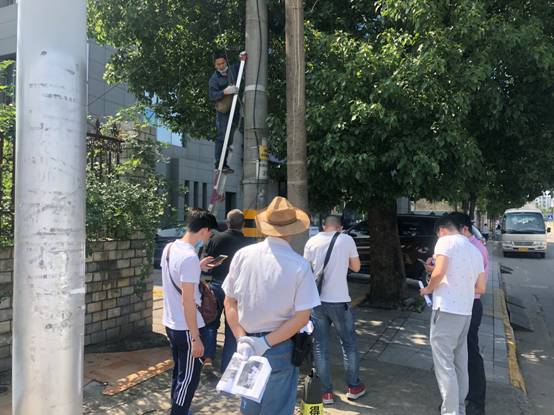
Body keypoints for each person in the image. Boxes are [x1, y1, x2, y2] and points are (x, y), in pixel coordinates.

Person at [223, 196, 321, 415]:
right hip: (280, 345)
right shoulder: (299, 265)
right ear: (292, 229)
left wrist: (241, 338)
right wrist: (265, 343)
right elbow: (302, 317)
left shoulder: (242, 256)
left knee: (249, 407)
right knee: (277, 409)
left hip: (247, 342)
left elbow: (229, 301)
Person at [420, 215, 487, 415]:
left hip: (446, 311)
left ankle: (450, 411)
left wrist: (428, 289)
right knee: (460, 363)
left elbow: (439, 272)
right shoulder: (475, 250)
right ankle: (459, 408)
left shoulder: (445, 241)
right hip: (466, 312)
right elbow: (481, 288)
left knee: (444, 364)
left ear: (442, 230)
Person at [303, 214, 366, 405]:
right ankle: (353, 387)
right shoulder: (346, 240)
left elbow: (306, 270)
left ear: (324, 226)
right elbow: (356, 267)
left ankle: (326, 393)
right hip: (340, 301)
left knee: (320, 347)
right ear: (340, 227)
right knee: (349, 344)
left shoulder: (312, 242)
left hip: (317, 301)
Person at [161, 208, 218, 415]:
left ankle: (178, 409)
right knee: (189, 378)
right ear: (203, 230)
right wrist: (196, 338)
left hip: (171, 322)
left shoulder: (170, 248)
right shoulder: (189, 258)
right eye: (210, 232)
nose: (209, 237)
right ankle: (179, 412)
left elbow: (176, 278)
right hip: (187, 326)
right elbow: (188, 301)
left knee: (180, 372)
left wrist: (198, 267)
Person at [449, 212, 489, 415]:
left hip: (470, 304)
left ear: (464, 229)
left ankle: (476, 401)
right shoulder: (464, 246)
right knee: (458, 353)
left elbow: (478, 285)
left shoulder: (475, 249)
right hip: (459, 303)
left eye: (452, 231)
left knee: (470, 353)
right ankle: (458, 399)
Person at [202, 209, 250, 373]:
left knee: (210, 322)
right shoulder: (249, 243)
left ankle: (208, 358)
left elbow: (207, 263)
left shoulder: (216, 239)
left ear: (228, 223)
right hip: (237, 290)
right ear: (243, 224)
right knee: (232, 328)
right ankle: (227, 367)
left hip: (216, 285)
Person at [208, 50, 241, 174]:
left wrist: (242, 57)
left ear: (226, 61)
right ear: (215, 65)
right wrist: (224, 92)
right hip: (223, 112)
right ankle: (219, 164)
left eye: (223, 63)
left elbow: (243, 64)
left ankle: (225, 164)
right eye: (218, 64)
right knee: (222, 137)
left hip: (235, 108)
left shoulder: (233, 69)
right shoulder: (214, 79)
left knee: (230, 138)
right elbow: (212, 95)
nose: (221, 66)